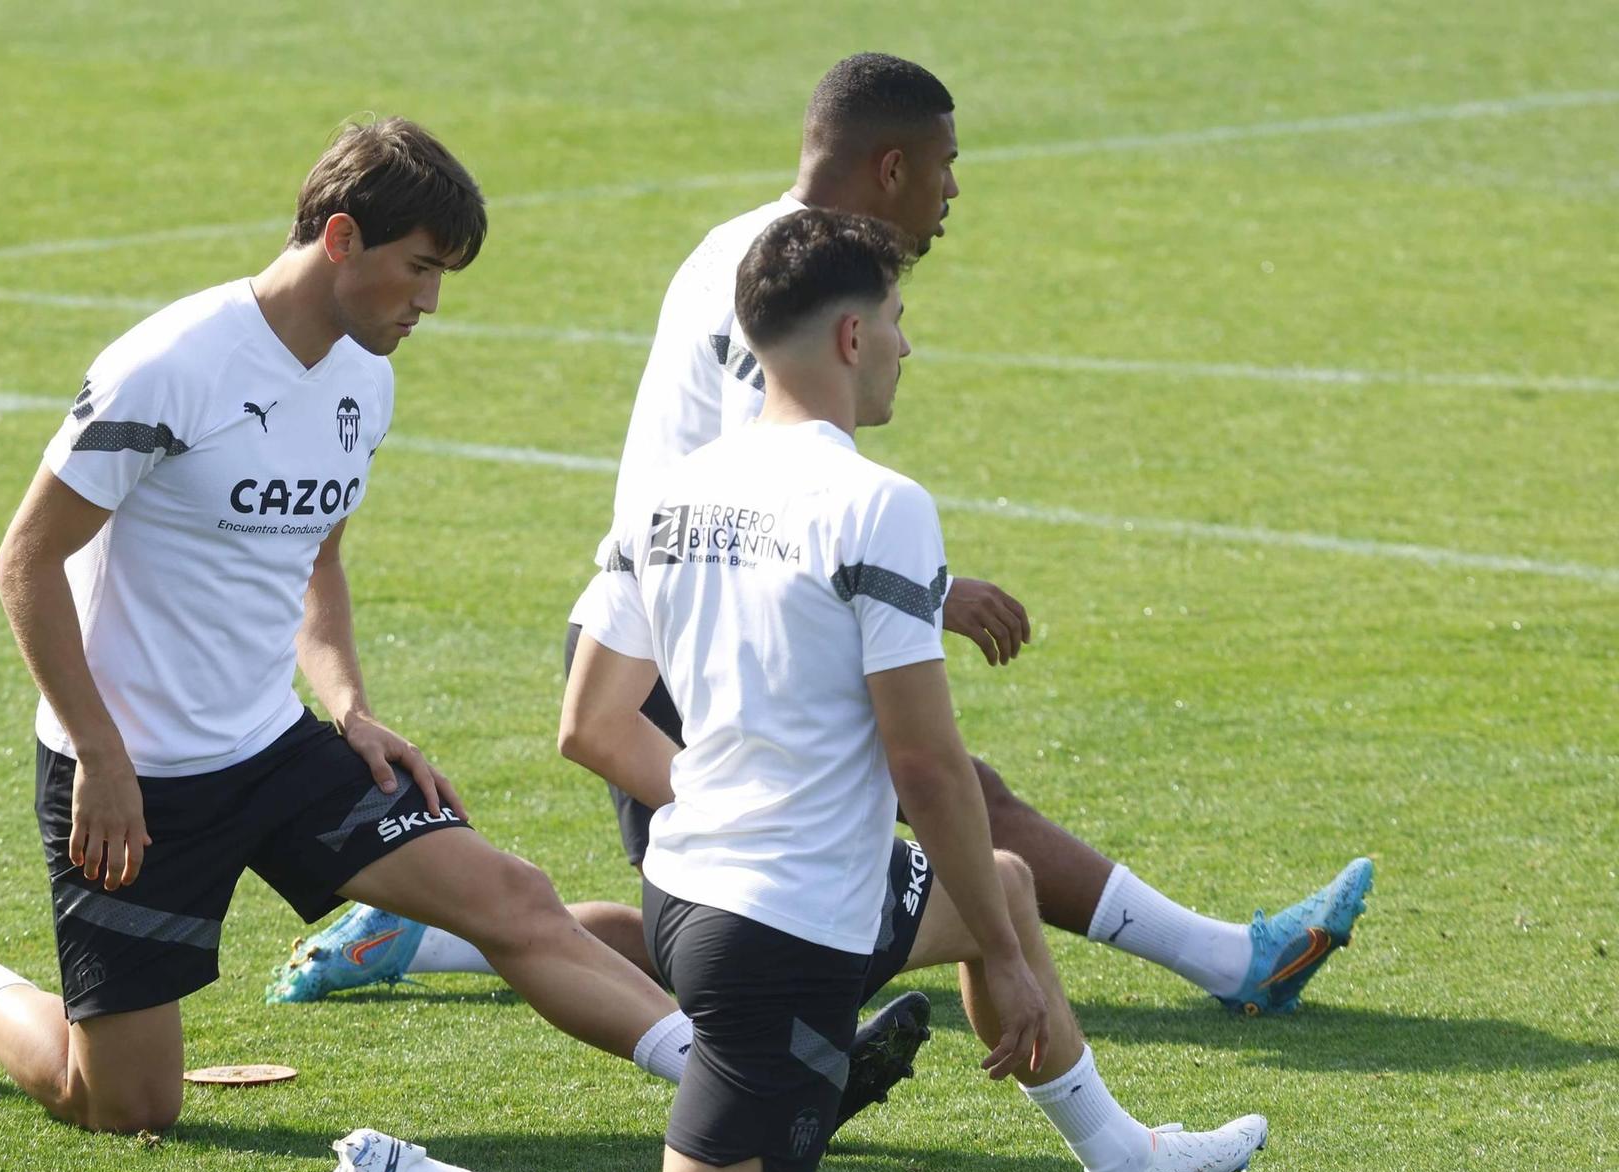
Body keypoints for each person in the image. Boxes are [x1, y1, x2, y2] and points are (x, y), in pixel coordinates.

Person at [303, 210, 1269, 1172]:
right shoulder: (879, 506)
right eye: (900, 320)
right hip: (784, 936)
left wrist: (733, 805)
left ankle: (1124, 1165)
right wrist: (1005, 968)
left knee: (993, 882)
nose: (909, 345)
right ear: (851, 336)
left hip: (693, 896)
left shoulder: (666, 496)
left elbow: (590, 725)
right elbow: (924, 760)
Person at [0, 119, 923, 1133]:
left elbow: (315, 558)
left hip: (271, 747)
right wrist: (98, 751)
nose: (428, 301)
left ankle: (756, 1091)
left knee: (512, 896)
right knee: (120, 1102)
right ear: (340, 238)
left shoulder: (363, 381)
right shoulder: (169, 367)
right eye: (419, 268)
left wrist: (349, 707)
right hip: (129, 775)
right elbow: (25, 559)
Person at [286, 52, 1370, 1017]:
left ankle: (421, 936)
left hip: (670, 623)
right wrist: (923, 593)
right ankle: (1229, 964)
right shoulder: (785, 286)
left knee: (725, 917)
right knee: (831, 871)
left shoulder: (746, 244)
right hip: (685, 640)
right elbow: (755, 494)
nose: (953, 193)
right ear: (887, 168)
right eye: (943, 166)